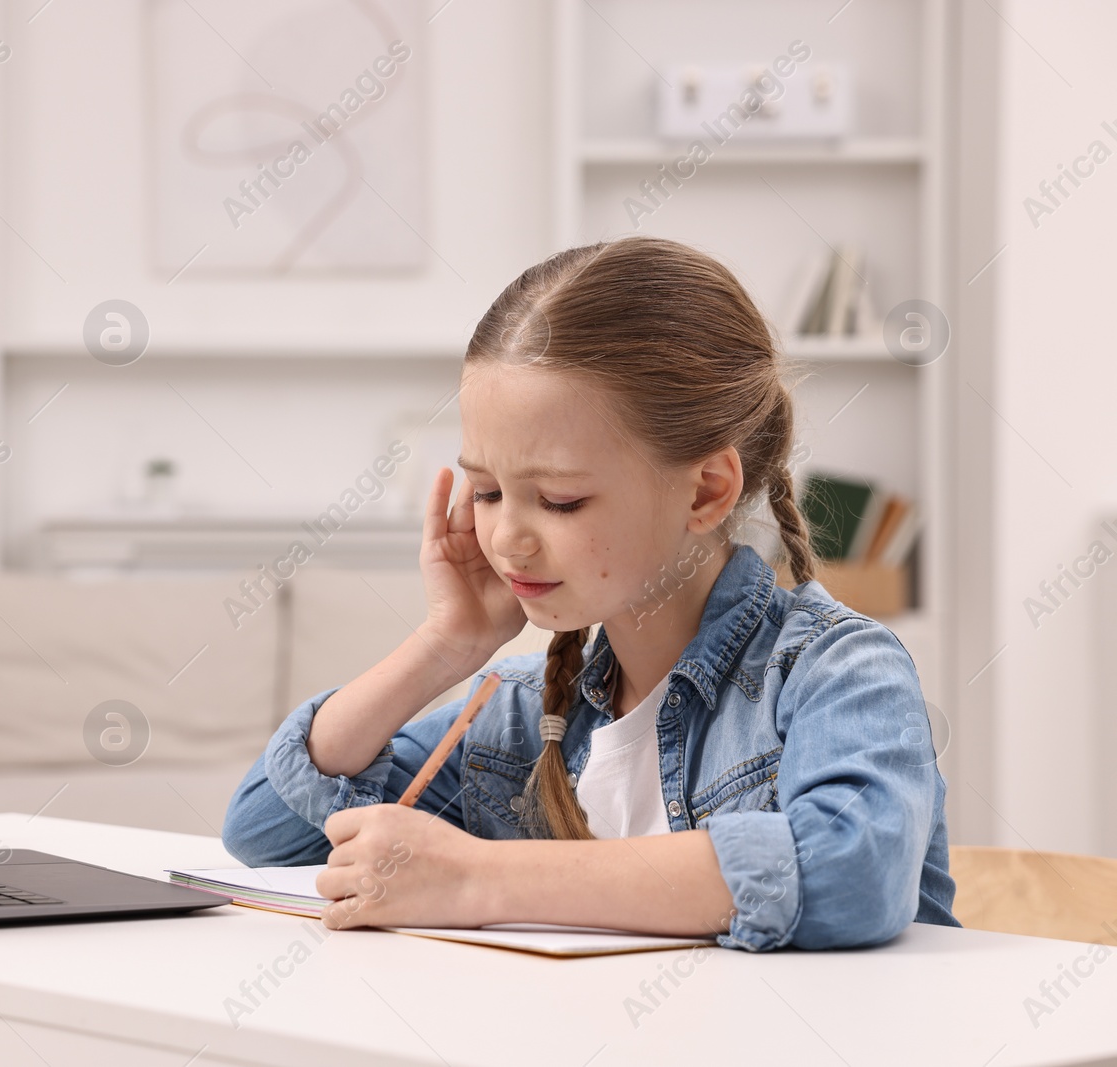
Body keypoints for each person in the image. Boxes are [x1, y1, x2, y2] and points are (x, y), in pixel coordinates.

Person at [220, 235, 960, 951]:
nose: (507, 537)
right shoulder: (520, 714)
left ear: (706, 491)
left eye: (560, 500)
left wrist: (479, 878)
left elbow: (853, 872)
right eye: (485, 491)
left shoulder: (836, 670)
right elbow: (265, 834)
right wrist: (446, 645)